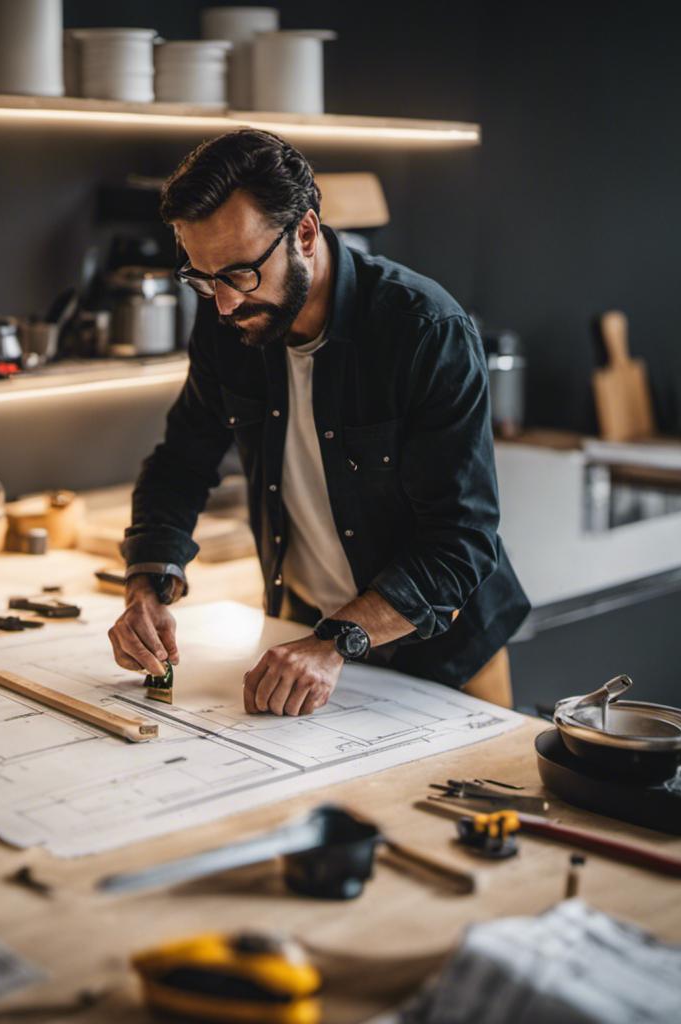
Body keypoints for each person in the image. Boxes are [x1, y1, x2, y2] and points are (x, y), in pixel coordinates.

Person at [108, 128, 530, 716]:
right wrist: (146, 584)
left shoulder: (425, 331)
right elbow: (181, 462)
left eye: (239, 274)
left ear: (304, 233)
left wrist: (337, 641)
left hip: (438, 655)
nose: (224, 303)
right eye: (202, 278)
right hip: (301, 641)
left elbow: (460, 543)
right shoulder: (225, 321)